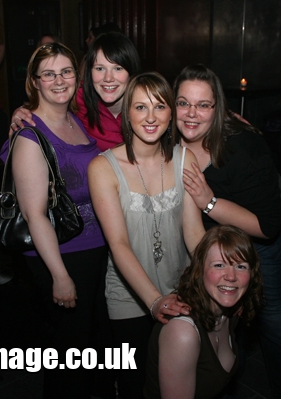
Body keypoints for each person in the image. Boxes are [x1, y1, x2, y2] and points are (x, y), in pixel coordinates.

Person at [175, 64, 281, 398]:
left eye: (203, 105)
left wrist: (208, 202)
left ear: (217, 108)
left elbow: (267, 226)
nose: (191, 113)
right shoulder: (168, 135)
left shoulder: (244, 148)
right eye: (183, 103)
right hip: (216, 232)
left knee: (272, 310)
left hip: (258, 228)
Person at [0, 42, 110, 399]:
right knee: (69, 352)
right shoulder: (30, 134)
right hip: (61, 254)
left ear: (77, 77)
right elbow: (34, 214)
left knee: (89, 345)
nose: (59, 80)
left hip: (95, 250)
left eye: (66, 72)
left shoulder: (76, 118)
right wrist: (59, 276)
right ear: (35, 81)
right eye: (49, 74)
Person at [87, 71, 206, 399]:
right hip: (128, 296)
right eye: (140, 107)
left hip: (181, 288)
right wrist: (153, 300)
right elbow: (119, 244)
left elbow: (195, 233)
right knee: (133, 385)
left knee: (176, 382)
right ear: (127, 113)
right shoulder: (102, 168)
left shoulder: (185, 159)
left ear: (171, 113)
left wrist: (213, 279)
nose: (151, 117)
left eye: (160, 106)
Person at [144, 225, 264, 399]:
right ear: (200, 270)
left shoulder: (230, 310)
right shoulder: (182, 333)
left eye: (241, 266)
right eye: (219, 265)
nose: (231, 276)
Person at [10, 31, 141, 151]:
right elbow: (49, 102)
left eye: (118, 68)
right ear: (90, 72)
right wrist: (22, 111)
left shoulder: (146, 104)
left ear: (131, 72)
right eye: (100, 68)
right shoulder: (79, 97)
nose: (108, 78)